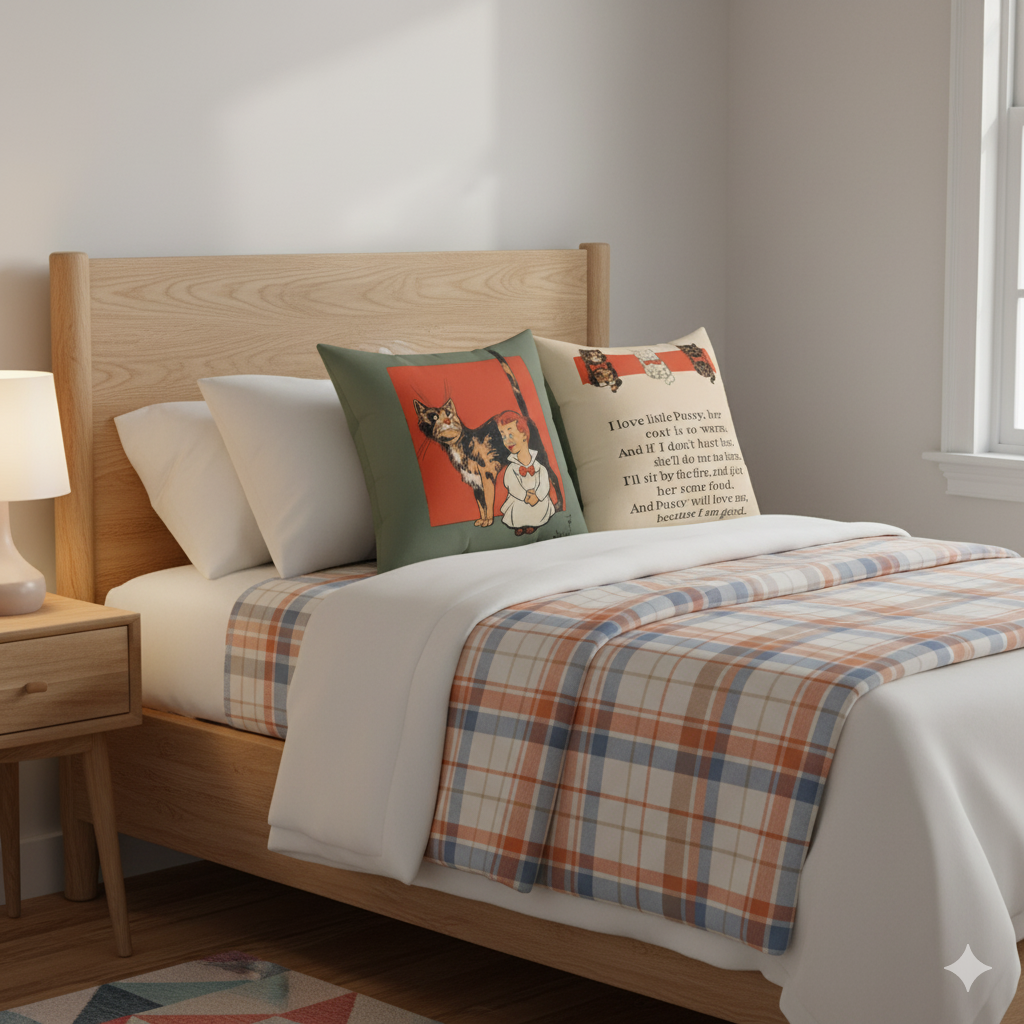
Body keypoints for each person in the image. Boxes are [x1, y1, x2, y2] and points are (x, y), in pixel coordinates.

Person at [496, 411, 555, 535]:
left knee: (539, 508)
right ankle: (519, 525)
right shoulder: (511, 469)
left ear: (524, 434)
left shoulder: (539, 466)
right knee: (518, 509)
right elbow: (511, 486)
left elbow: (544, 480)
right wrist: (524, 496)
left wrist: (537, 495)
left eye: (510, 434)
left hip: (537, 500)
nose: (507, 441)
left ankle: (534, 524)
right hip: (520, 499)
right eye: (504, 436)